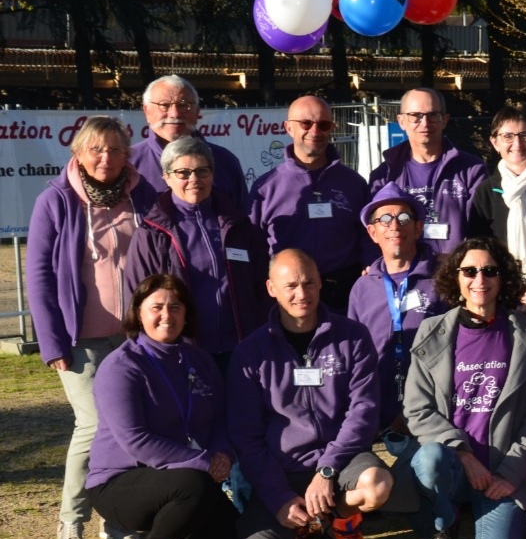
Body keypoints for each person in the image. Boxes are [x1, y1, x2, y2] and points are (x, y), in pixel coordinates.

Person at [27, 115, 158, 539]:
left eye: (116, 149)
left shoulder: (142, 194)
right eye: (96, 149)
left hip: (135, 338)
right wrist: (51, 343)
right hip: (79, 340)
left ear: (127, 154)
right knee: (96, 425)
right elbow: (39, 276)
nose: (107, 157)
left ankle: (118, 519)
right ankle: (71, 520)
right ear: (79, 153)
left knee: (132, 425)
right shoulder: (56, 200)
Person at [228, 249, 391, 539]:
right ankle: (304, 525)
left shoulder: (352, 336)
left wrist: (327, 469)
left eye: (308, 283)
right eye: (290, 286)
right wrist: (278, 497)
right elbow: (246, 435)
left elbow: (363, 412)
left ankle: (342, 521)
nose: (301, 294)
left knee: (376, 485)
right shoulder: (251, 352)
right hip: (282, 469)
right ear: (271, 288)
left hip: (341, 461)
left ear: (320, 284)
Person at [86, 274, 244, 539]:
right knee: (193, 484)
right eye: (156, 307)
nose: (166, 315)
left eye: (175, 307)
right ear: (139, 313)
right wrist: (205, 462)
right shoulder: (121, 366)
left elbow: (220, 418)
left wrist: (223, 455)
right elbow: (136, 440)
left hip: (189, 478)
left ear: (186, 314)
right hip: (121, 482)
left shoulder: (199, 360)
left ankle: (182, 535)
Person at [405, 237, 526, 539]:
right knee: (430, 458)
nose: (479, 280)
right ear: (456, 278)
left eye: (490, 271)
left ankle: (479, 510)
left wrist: (510, 475)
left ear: (503, 278)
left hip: (498, 470)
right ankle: (446, 520)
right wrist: (463, 454)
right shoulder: (432, 331)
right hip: (452, 463)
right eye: (469, 271)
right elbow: (417, 410)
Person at [125, 136, 269, 374]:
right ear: (166, 177)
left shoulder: (238, 225)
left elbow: (262, 285)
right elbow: (137, 298)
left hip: (241, 349)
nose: (194, 179)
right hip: (184, 352)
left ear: (212, 174)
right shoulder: (151, 234)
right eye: (183, 172)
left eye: (202, 171)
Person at [248, 95, 371, 312]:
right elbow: (253, 244)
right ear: (288, 128)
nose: (315, 131)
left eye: (323, 125)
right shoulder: (265, 188)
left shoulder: (353, 183)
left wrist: (370, 266)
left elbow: (368, 234)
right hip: (290, 296)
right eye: (306, 123)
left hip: (344, 293)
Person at [347, 182, 445, 440]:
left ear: (418, 228)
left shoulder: (443, 280)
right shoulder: (362, 288)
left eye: (403, 218)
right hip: (376, 417)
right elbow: (353, 359)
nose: (394, 226)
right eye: (384, 219)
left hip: (433, 411)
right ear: (372, 232)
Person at [367, 88, 486, 253]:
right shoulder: (383, 176)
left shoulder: (472, 170)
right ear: (401, 121)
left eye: (433, 115)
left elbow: (481, 232)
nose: (425, 123)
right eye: (415, 116)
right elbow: (373, 230)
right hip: (403, 267)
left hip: (455, 266)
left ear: (445, 120)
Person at [470, 106, 526, 320]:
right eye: (507, 136)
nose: (517, 143)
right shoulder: (486, 191)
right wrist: (512, 292)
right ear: (495, 142)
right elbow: (480, 250)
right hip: (503, 299)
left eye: (524, 135)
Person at [129, 75, 248, 210]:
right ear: (147, 111)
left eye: (183, 105)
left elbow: (242, 216)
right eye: (164, 105)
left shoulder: (225, 161)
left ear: (197, 112)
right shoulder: (129, 163)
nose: (175, 114)